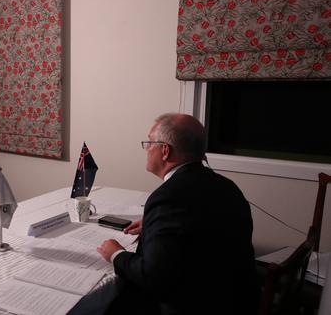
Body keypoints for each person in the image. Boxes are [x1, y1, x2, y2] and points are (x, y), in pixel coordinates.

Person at [97, 113, 258, 315]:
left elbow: (154, 277)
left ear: (165, 151)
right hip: (238, 299)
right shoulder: (227, 186)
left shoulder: (167, 198)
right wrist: (153, 226)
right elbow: (200, 230)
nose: (146, 150)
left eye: (149, 143)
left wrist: (116, 254)